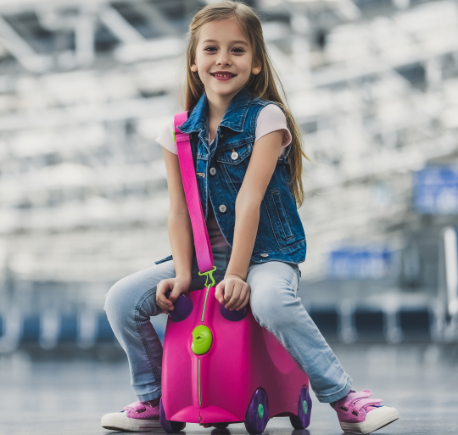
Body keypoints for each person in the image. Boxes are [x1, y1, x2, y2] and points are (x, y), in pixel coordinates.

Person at [100, 2, 399, 434]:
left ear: (256, 63)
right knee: (121, 300)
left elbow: (249, 201)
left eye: (237, 50)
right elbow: (179, 210)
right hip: (204, 262)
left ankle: (345, 398)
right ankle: (154, 400)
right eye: (211, 49)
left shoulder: (267, 118)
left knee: (271, 300)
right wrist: (184, 274)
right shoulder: (177, 132)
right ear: (193, 60)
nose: (223, 59)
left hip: (267, 255)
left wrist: (238, 274)